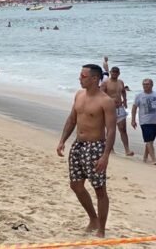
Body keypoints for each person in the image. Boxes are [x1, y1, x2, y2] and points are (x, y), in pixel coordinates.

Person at [56, 64, 116, 238]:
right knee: (75, 185)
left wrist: (105, 155)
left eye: (83, 76)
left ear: (95, 79)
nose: (79, 78)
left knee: (99, 189)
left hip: (95, 146)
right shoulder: (79, 95)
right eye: (80, 75)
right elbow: (72, 119)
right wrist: (62, 141)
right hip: (78, 144)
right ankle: (93, 218)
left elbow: (111, 130)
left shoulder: (106, 101)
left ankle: (101, 229)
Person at [131, 79, 156, 165]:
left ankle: (145, 157)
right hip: (144, 122)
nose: (145, 86)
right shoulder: (139, 96)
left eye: (147, 84)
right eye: (144, 84)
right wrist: (133, 120)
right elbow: (134, 108)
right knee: (149, 141)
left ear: (152, 85)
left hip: (155, 121)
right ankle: (153, 159)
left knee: (150, 141)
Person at [99, 65, 134, 156]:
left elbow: (123, 91)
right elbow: (100, 94)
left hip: (120, 108)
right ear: (110, 72)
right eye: (113, 72)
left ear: (119, 73)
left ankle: (127, 150)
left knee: (123, 129)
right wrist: (110, 100)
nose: (114, 73)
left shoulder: (120, 82)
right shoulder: (105, 82)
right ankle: (111, 149)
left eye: (116, 72)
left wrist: (125, 101)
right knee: (111, 129)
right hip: (109, 108)